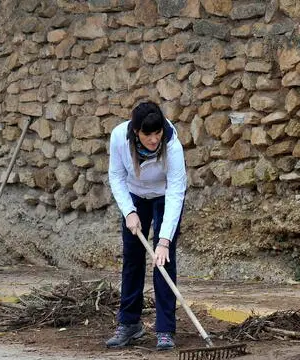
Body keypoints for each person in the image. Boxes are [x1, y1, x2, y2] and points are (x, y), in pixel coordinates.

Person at [106, 101, 187, 350]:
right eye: (147, 134)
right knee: (132, 258)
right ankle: (130, 324)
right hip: (135, 195)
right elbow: (116, 176)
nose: (154, 140)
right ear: (135, 133)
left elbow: (176, 190)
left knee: (164, 261)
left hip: (164, 196)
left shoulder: (172, 145)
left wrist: (164, 241)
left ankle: (165, 329)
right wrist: (129, 211)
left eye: (157, 133)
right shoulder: (119, 137)